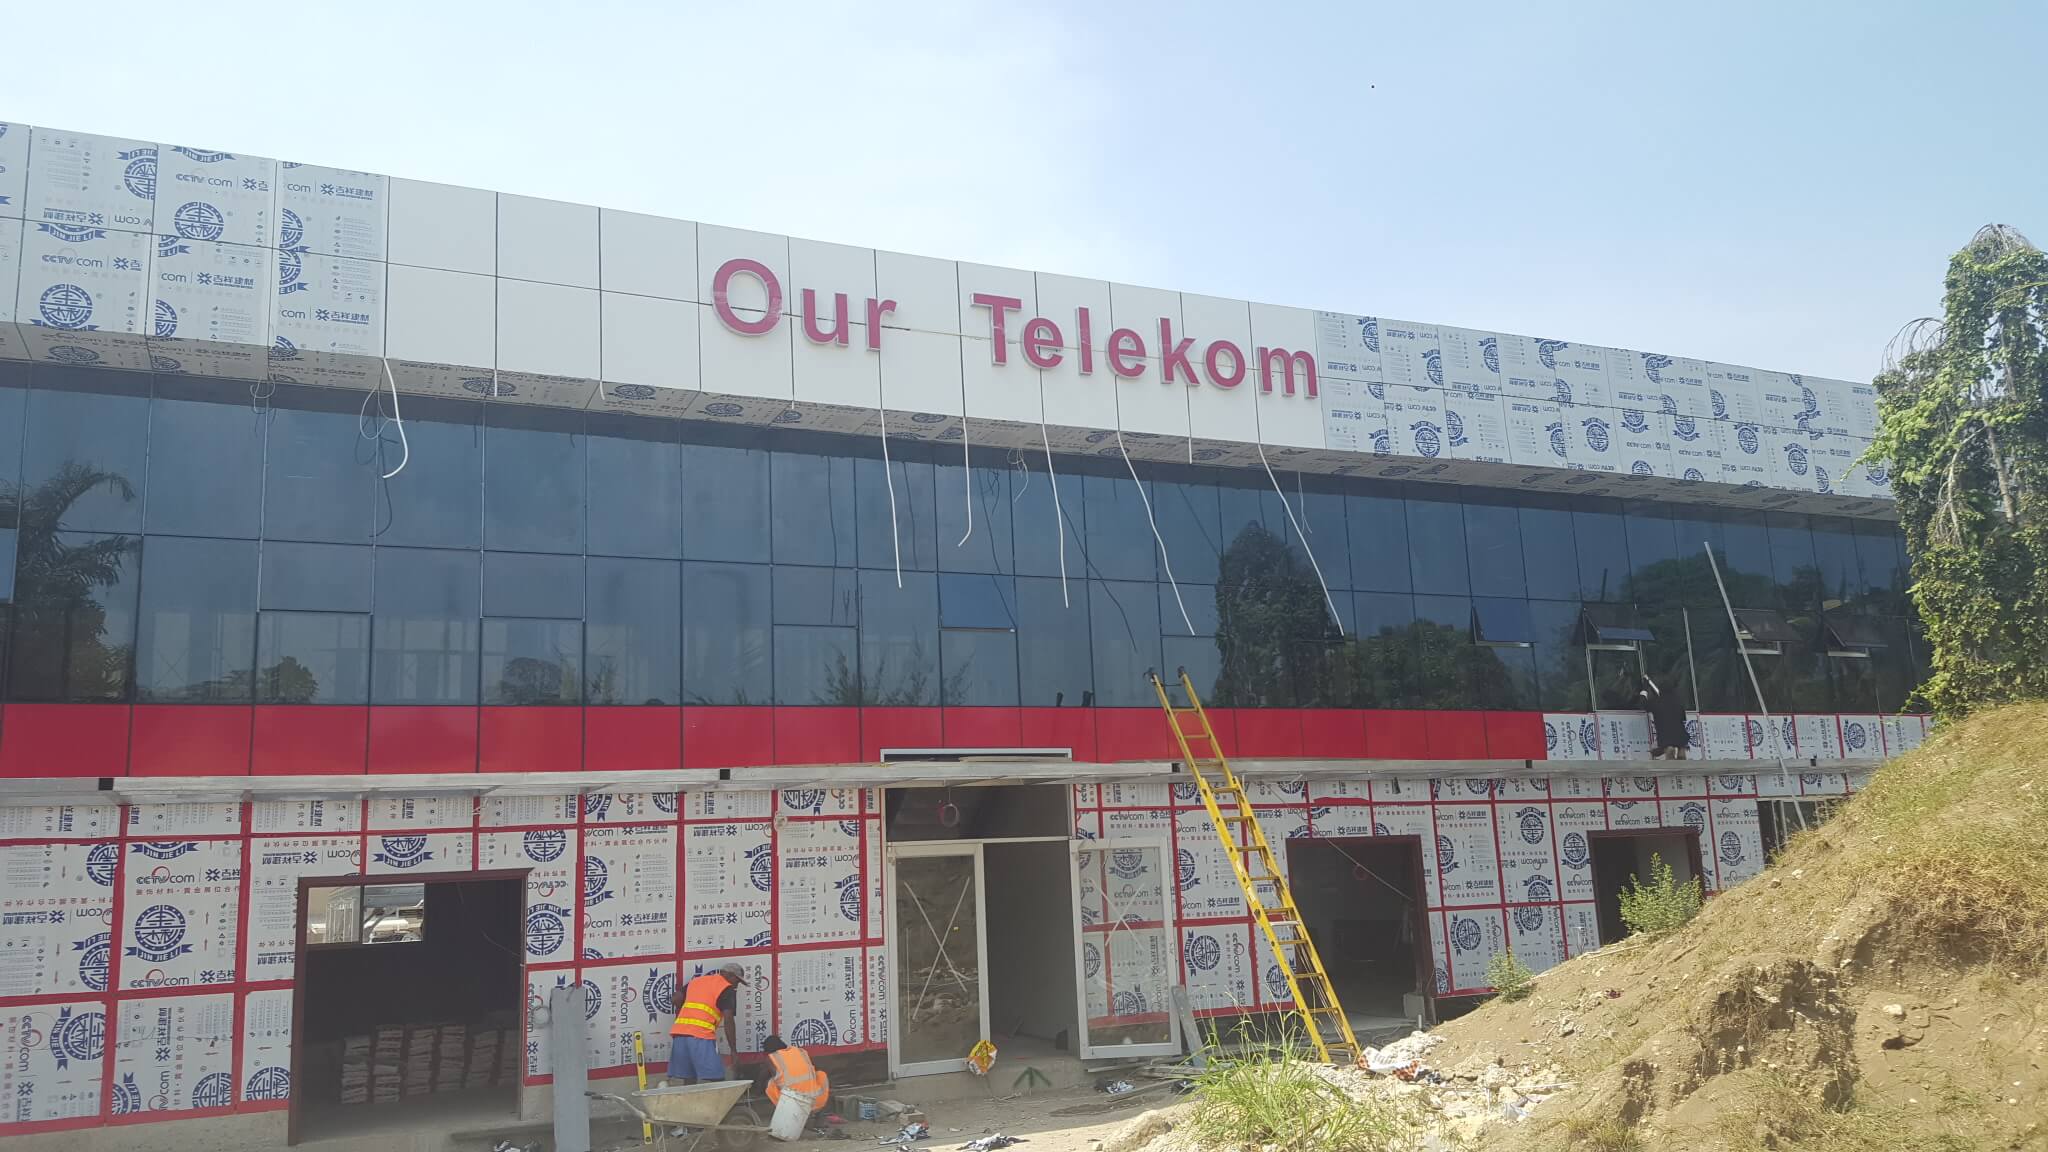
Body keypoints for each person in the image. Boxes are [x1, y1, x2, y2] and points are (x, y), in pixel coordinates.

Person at [668, 962, 748, 1085]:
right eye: (737, 981)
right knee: (716, 1078)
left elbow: (676, 999)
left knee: (689, 1078)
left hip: (680, 1035)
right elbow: (729, 1021)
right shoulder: (727, 989)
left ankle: (690, 1097)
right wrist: (733, 1051)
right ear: (729, 975)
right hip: (701, 1036)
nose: (736, 985)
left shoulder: (697, 981)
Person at [754, 1034, 830, 1130]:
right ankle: (819, 1118)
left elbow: (762, 1077)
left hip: (792, 1105)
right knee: (821, 1074)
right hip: (815, 1101)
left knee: (770, 1083)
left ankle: (787, 1117)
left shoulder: (772, 1058)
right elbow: (814, 1070)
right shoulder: (801, 1051)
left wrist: (756, 1091)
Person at [1639, 673, 1690, 760]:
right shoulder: (1678, 702)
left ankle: (1670, 751)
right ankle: (1681, 752)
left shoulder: (1656, 702)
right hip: (1680, 735)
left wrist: (1644, 690)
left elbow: (1644, 704)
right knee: (1681, 751)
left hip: (1665, 736)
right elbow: (1683, 718)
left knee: (1669, 750)